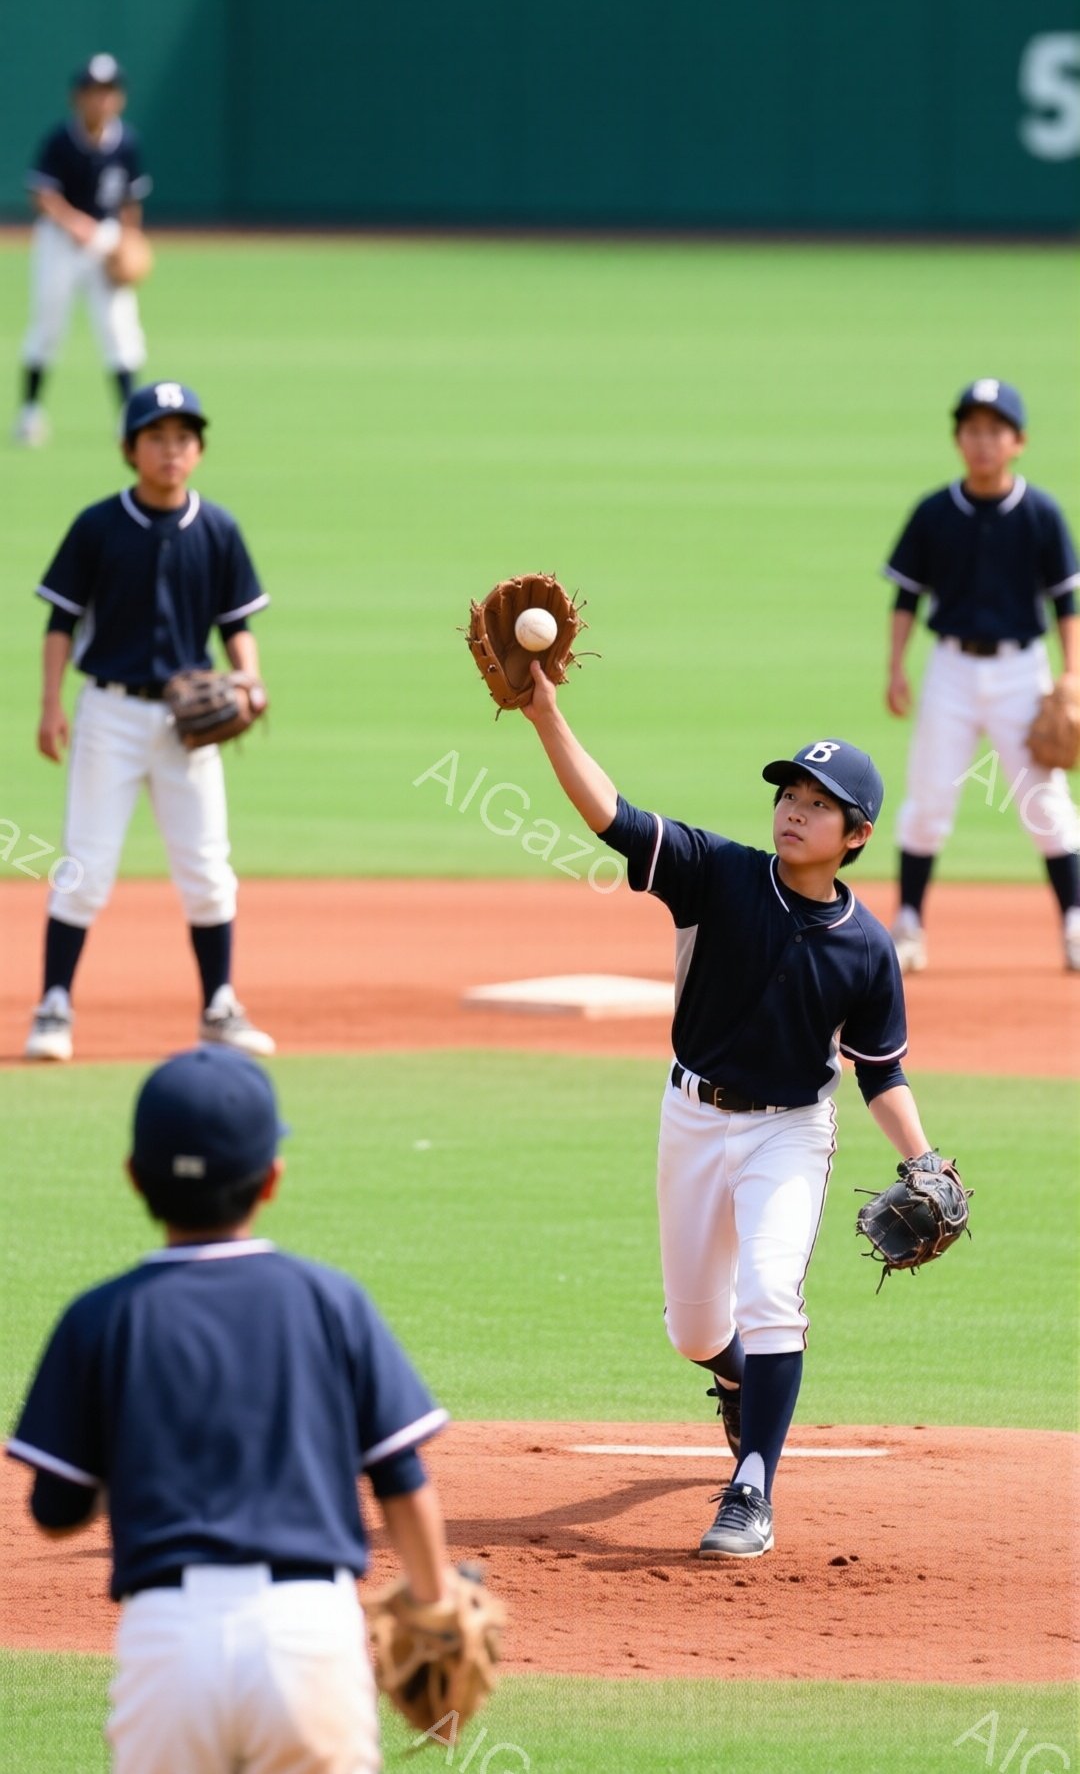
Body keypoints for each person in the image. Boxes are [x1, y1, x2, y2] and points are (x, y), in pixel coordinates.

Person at [521, 669, 940, 1558]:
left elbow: (880, 1072)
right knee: (698, 1331)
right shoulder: (719, 875)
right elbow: (614, 817)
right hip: (692, 1118)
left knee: (771, 1298)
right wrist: (546, 714)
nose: (793, 811)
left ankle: (752, 1488)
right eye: (788, 793)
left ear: (856, 835)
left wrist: (925, 1160)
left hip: (789, 1132)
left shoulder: (868, 949)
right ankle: (741, 1388)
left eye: (817, 804)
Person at [6, 1046, 452, 1774]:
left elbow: (56, 1510)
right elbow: (401, 1479)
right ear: (271, 1180)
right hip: (311, 1640)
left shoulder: (101, 1318)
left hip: (169, 1645)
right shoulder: (328, 1301)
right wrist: (434, 1611)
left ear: (133, 1177)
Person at [25, 379, 274, 1063]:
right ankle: (53, 1006)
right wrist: (51, 705)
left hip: (187, 725)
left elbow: (235, 624)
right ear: (129, 449)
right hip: (108, 714)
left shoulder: (218, 527)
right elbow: (60, 621)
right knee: (86, 866)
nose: (171, 450)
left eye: (183, 438)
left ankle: (220, 1007)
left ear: (198, 451)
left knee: (206, 868)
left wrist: (249, 680)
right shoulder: (98, 526)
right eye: (156, 438)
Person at [883, 378, 1080, 974]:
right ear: (958, 439)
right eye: (972, 429)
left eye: (996, 430)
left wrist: (1072, 676)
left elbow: (1066, 601)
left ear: (1017, 441)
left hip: (1024, 672)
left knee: (1044, 802)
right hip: (950, 669)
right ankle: (910, 924)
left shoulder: (1041, 512)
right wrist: (895, 667)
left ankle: (1074, 923)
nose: (983, 441)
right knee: (930, 795)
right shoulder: (935, 511)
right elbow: (906, 598)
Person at [13, 53, 151, 446]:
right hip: (59, 241)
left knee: (119, 326)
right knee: (48, 325)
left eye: (109, 92)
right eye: (93, 92)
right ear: (78, 97)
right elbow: (41, 195)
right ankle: (30, 411)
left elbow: (130, 200)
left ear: (119, 98)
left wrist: (129, 239)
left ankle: (130, 416)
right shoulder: (61, 139)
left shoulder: (127, 141)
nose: (101, 100)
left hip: (105, 240)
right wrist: (75, 224)